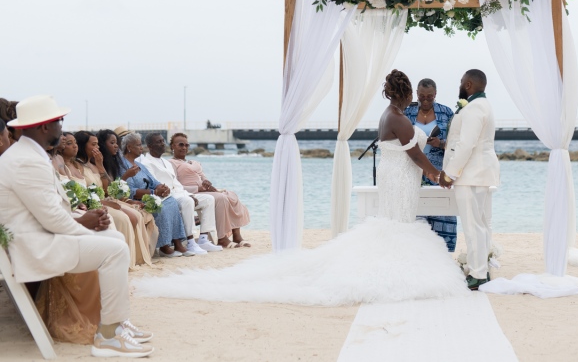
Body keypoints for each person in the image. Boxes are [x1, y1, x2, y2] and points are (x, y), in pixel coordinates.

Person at [132, 70, 467, 305]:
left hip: (399, 180)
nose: (415, 99)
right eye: (413, 94)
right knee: (396, 227)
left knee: (396, 226)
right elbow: (416, 153)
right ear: (406, 94)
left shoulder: (391, 114)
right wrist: (438, 176)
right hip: (400, 181)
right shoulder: (396, 117)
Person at [0, 95, 153, 357]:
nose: (62, 126)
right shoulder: (26, 160)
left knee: (113, 237)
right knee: (114, 249)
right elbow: (51, 219)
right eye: (59, 121)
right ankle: (107, 336)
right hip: (33, 246)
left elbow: (49, 211)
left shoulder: (28, 154)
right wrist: (87, 225)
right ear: (44, 127)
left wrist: (92, 224)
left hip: (38, 236)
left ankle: (116, 323)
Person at [439, 69, 501, 291]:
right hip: (478, 173)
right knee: (480, 224)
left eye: (461, 82)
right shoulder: (481, 105)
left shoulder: (475, 108)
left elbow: (466, 144)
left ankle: (477, 274)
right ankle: (481, 269)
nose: (459, 85)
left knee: (473, 226)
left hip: (471, 174)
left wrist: (449, 173)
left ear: (468, 84)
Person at [75, 130, 158, 268]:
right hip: (95, 202)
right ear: (83, 146)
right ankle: (125, 260)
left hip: (106, 199)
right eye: (93, 145)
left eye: (97, 145)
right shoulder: (78, 166)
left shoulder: (96, 164)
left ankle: (136, 258)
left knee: (137, 214)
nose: (97, 148)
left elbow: (107, 188)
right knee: (127, 217)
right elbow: (105, 191)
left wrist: (100, 166)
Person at [137, 133, 221, 253]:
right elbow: (157, 184)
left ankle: (203, 239)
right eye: (159, 142)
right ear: (150, 146)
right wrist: (186, 197)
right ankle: (191, 241)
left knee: (208, 199)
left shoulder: (165, 162)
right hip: (165, 197)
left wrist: (188, 194)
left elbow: (176, 183)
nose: (162, 144)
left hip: (178, 193)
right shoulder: (146, 163)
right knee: (187, 201)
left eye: (163, 141)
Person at [169, 133, 251, 248]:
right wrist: (198, 188)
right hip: (190, 193)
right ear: (172, 146)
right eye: (180, 145)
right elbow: (175, 186)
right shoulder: (171, 163)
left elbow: (203, 177)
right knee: (221, 198)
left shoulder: (192, 162)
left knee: (231, 195)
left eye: (187, 145)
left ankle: (236, 235)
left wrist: (206, 183)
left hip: (204, 190)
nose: (184, 147)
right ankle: (222, 238)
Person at [116, 131, 190, 258]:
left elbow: (154, 181)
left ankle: (177, 243)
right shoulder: (123, 166)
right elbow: (130, 190)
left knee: (171, 201)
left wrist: (162, 187)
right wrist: (153, 192)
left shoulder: (140, 165)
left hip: (151, 195)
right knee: (163, 206)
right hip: (136, 199)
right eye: (138, 145)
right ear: (129, 147)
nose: (141, 148)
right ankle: (164, 246)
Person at [403, 78, 457, 251]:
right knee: (416, 215)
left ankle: (445, 256)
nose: (425, 100)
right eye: (421, 97)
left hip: (439, 171)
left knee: (442, 215)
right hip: (413, 170)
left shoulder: (446, 113)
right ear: (416, 94)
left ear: (435, 95)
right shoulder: (407, 112)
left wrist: (440, 143)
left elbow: (457, 143)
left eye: (429, 97)